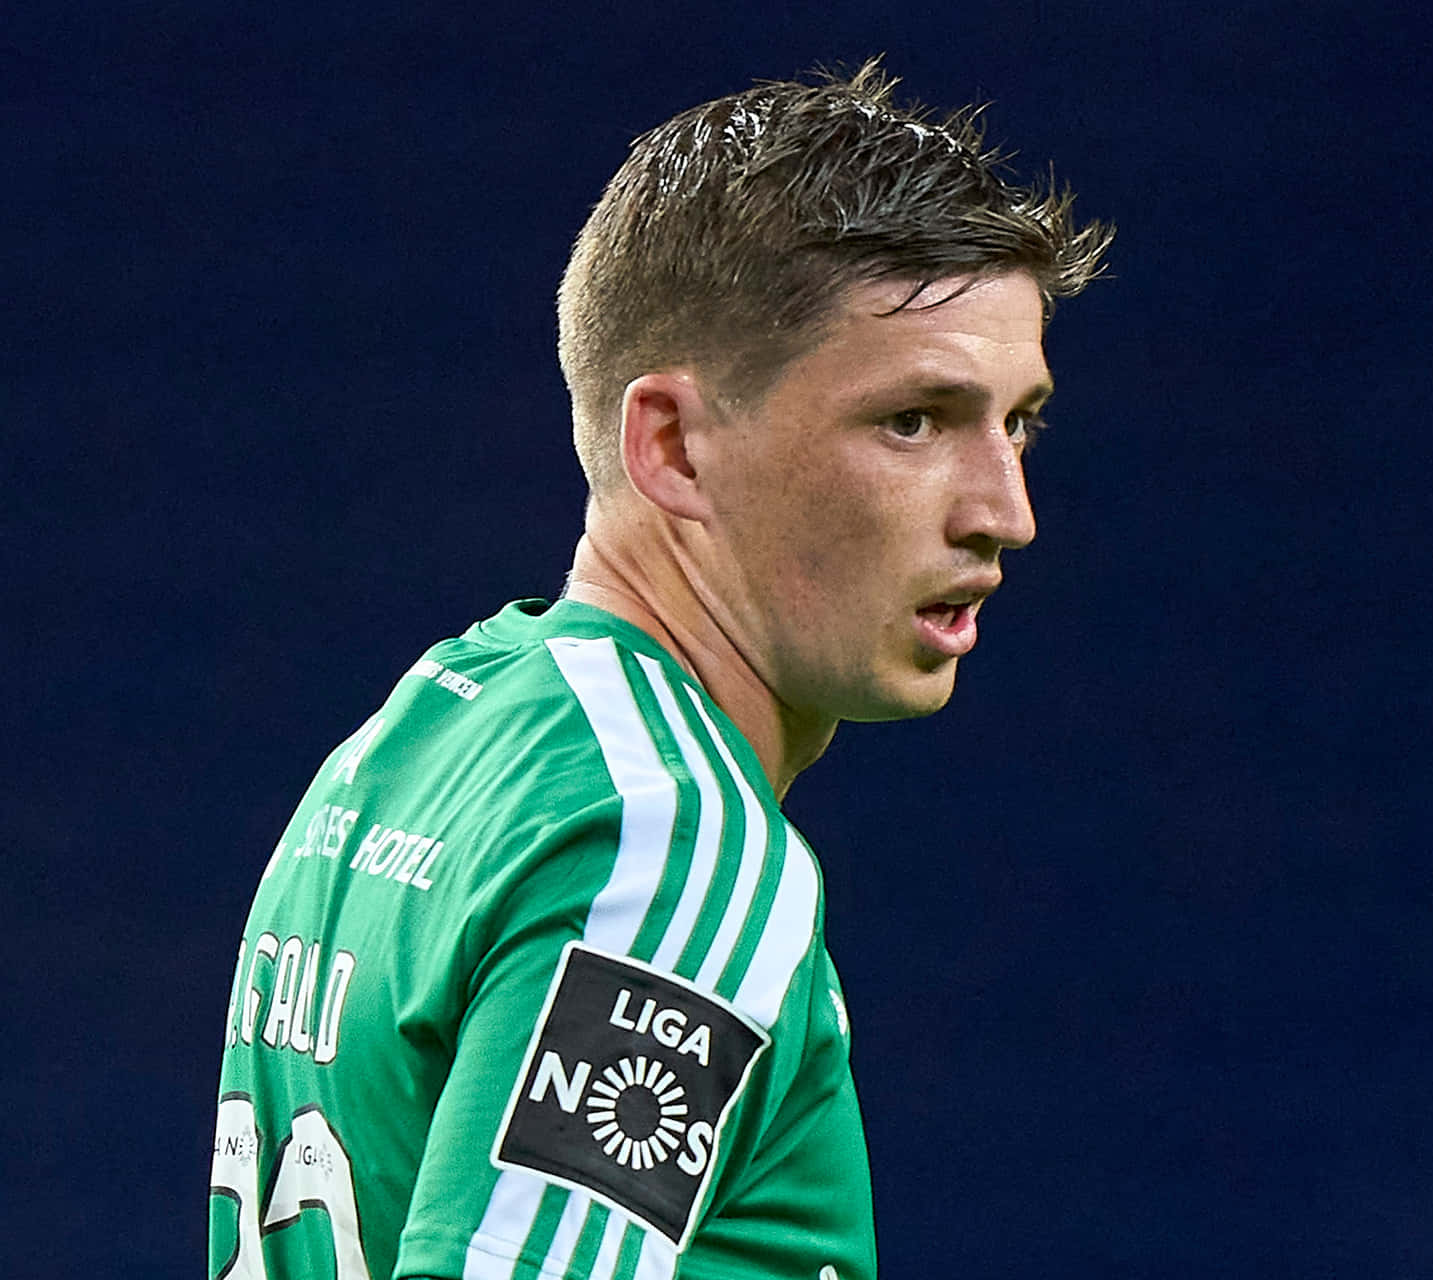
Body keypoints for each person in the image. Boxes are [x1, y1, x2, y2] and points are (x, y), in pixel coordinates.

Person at [208, 60, 1109, 1280]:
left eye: (1020, 421)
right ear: (673, 446)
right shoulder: (669, 842)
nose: (1007, 511)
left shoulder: (417, 739)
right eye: (914, 420)